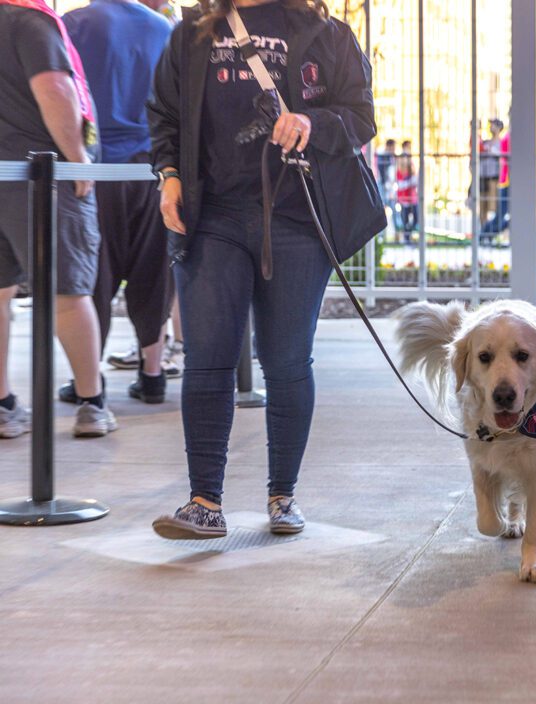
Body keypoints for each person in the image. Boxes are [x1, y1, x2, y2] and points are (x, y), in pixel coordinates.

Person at [147, 0, 381, 538]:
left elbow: (361, 117)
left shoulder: (328, 34)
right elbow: (163, 113)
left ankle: (283, 496)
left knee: (286, 360)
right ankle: (204, 501)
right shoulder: (191, 33)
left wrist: (311, 121)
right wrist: (169, 174)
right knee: (207, 358)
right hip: (212, 217)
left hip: (299, 219)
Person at [0, 0, 118, 439]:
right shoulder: (29, 22)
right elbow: (55, 87)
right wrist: (77, 158)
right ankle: (91, 402)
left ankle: (3, 404)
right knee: (68, 291)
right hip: (41, 178)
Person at [64, 0, 174, 405]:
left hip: (97, 166)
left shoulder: (74, 23)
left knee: (96, 274)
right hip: (156, 167)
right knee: (155, 269)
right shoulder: (163, 28)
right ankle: (153, 374)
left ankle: (88, 381)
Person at [479, 118, 503, 227]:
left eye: (493, 124)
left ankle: (492, 230)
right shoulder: (485, 143)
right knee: (482, 205)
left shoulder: (501, 143)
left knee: (493, 206)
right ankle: (483, 230)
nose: (490, 127)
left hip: (494, 179)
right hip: (483, 178)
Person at [395, 140, 419, 243]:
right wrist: (410, 182)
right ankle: (406, 239)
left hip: (413, 197)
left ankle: (409, 233)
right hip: (404, 198)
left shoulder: (412, 164)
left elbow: (415, 179)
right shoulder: (400, 166)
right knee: (405, 219)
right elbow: (400, 184)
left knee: (416, 218)